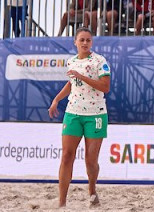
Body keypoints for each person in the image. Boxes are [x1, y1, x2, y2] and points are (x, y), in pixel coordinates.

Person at [47, 27, 111, 208]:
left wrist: (81, 76)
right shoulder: (71, 62)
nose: (85, 43)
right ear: (75, 42)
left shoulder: (100, 61)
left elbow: (105, 87)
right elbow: (71, 83)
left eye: (88, 40)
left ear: (91, 42)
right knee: (67, 156)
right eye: (81, 40)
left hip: (95, 114)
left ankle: (92, 190)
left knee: (91, 161)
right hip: (73, 112)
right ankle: (62, 203)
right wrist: (56, 100)